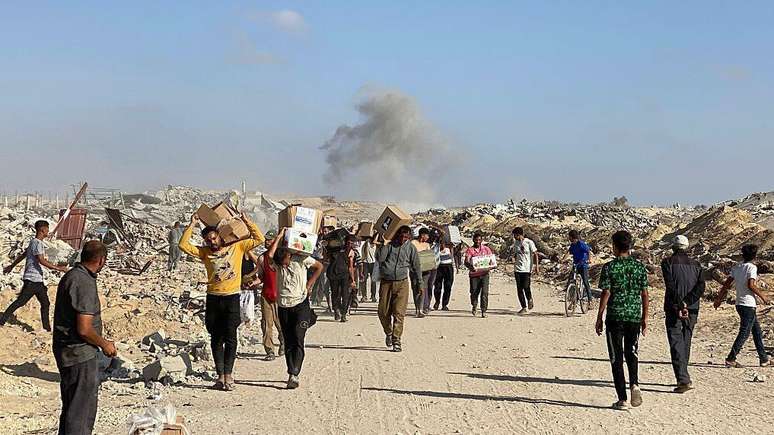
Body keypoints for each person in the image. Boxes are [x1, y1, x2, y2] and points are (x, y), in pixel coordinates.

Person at [179, 212, 265, 391]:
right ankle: (220, 376)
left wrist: (247, 221)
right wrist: (193, 224)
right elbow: (182, 245)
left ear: (220, 237)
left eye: (214, 238)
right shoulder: (204, 254)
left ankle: (229, 375)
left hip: (232, 297)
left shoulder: (238, 247)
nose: (212, 242)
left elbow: (259, 238)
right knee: (215, 338)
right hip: (213, 299)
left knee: (231, 337)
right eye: (208, 240)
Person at [52, 240, 116, 435]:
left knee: (72, 409)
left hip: (68, 352)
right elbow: (84, 329)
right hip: (79, 353)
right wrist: (105, 344)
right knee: (81, 413)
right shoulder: (84, 282)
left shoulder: (72, 275)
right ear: (102, 260)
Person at [595, 230, 649, 410]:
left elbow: (606, 292)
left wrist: (599, 316)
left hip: (615, 317)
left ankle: (622, 399)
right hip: (634, 316)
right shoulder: (640, 267)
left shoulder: (609, 267)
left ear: (615, 247)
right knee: (632, 352)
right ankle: (634, 383)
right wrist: (645, 317)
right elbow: (644, 294)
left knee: (616, 357)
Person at [268, 228, 324, 389]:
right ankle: (291, 369)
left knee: (298, 337)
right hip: (283, 306)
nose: (284, 266)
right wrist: (279, 236)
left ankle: (295, 373)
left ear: (289, 256)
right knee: (288, 340)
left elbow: (319, 266)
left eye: (285, 262)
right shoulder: (278, 264)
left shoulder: (301, 259)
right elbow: (270, 255)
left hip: (300, 304)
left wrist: (310, 283)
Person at [1, 220, 67, 330]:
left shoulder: (33, 242)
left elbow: (23, 255)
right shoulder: (38, 243)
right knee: (20, 302)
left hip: (37, 281)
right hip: (32, 280)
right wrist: (59, 268)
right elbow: (41, 260)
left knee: (45, 303)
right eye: (47, 229)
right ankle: (2, 320)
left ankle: (47, 329)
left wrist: (11, 266)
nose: (48, 231)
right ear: (42, 230)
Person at [714, 244, 771, 368]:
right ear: (755, 256)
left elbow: (726, 284)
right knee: (744, 332)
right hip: (748, 304)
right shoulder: (752, 268)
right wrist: (763, 296)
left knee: (756, 331)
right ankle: (731, 358)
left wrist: (718, 299)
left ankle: (764, 359)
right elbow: (751, 285)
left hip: (739, 303)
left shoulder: (737, 267)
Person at [660, 235, 705, 393]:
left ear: (673, 247)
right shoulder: (697, 265)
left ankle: (683, 379)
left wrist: (680, 303)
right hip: (692, 307)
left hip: (674, 307)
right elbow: (701, 287)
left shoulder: (667, 263)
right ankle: (684, 375)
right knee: (686, 340)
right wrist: (687, 302)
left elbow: (670, 286)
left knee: (675, 341)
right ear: (687, 248)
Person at [376, 225, 423, 352]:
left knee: (399, 313)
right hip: (386, 282)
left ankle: (396, 340)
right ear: (397, 235)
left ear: (409, 237)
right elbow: (380, 258)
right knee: (382, 312)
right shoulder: (390, 245)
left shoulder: (411, 248)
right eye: (401, 236)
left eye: (406, 237)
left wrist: (420, 283)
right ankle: (389, 332)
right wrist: (384, 244)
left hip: (402, 283)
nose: (403, 239)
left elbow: (417, 266)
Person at [255, 230, 284, 361]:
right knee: (267, 324)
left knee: (281, 323)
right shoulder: (261, 258)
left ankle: (283, 342)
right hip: (266, 295)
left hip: (280, 296)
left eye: (270, 240)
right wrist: (253, 282)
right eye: (266, 240)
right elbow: (261, 276)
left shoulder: (282, 257)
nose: (267, 242)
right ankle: (269, 350)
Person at [327, 235, 357, 322]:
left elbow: (326, 258)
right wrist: (353, 280)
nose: (350, 244)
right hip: (342, 274)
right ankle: (342, 314)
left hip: (335, 273)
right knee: (344, 294)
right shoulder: (351, 252)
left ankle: (338, 311)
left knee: (336, 293)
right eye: (349, 242)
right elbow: (350, 267)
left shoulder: (333, 249)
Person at [464, 232, 494, 318]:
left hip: (485, 274)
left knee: (484, 293)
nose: (477, 241)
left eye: (479, 240)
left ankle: (484, 310)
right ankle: (474, 305)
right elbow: (466, 261)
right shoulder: (470, 250)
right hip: (474, 275)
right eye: (476, 240)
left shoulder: (486, 249)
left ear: (481, 240)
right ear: (473, 240)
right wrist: (471, 267)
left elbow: (491, 260)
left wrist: (491, 265)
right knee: (474, 292)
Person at [562, 229, 593, 306]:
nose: (569, 239)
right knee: (571, 280)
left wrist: (589, 259)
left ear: (573, 237)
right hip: (576, 264)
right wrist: (563, 259)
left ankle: (590, 301)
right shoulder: (573, 245)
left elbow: (588, 251)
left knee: (585, 281)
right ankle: (573, 300)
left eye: (570, 237)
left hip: (583, 265)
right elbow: (569, 252)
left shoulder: (581, 244)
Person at [512, 227, 539, 314]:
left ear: (519, 234)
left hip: (527, 269)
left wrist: (536, 266)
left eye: (515, 235)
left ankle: (529, 299)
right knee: (519, 289)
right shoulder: (516, 243)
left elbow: (535, 254)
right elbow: (515, 254)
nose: (514, 237)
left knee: (526, 286)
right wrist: (513, 258)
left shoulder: (529, 242)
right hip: (517, 269)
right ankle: (523, 307)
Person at [411, 228, 432, 317]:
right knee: (415, 289)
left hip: (425, 271)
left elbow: (428, 257)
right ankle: (417, 308)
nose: (428, 237)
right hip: (414, 270)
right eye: (427, 235)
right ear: (422, 235)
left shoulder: (427, 245)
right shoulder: (413, 243)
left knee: (422, 289)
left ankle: (420, 309)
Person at [434, 240, 455, 311]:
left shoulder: (449, 248)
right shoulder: (435, 250)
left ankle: (444, 304)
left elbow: (452, 257)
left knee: (448, 286)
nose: (442, 245)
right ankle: (437, 302)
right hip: (439, 267)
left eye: (443, 243)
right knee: (437, 286)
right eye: (441, 243)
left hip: (448, 267)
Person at [360, 235, 379, 303]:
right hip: (366, 263)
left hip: (373, 263)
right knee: (363, 279)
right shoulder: (366, 243)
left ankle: (373, 296)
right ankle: (364, 296)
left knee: (373, 281)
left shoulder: (377, 245)